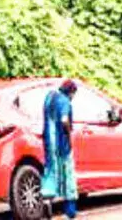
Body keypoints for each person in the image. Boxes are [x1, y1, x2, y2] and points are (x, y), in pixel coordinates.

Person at [42, 79, 79, 218]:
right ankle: (70, 211)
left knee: (50, 172)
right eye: (73, 95)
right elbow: (64, 119)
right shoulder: (65, 101)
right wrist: (69, 131)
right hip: (62, 145)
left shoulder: (49, 98)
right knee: (68, 176)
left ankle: (47, 199)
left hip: (48, 144)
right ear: (71, 92)